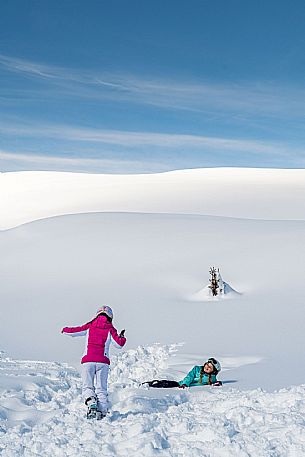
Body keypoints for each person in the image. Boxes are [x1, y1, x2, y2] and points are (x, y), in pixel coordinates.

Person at [61, 305, 126, 419]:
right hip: (103, 362)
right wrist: (122, 337)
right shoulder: (111, 329)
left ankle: (91, 403)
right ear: (110, 317)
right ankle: (103, 412)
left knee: (88, 387)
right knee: (101, 388)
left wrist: (65, 329)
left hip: (88, 361)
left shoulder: (90, 326)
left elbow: (74, 331)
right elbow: (119, 344)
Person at [144, 358, 222, 388]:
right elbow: (190, 377)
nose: (207, 367)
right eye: (207, 364)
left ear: (213, 371)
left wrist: (218, 383)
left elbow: (214, 382)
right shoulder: (197, 369)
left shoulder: (212, 377)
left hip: (186, 386)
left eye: (210, 367)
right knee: (166, 384)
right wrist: (185, 384)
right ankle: (150, 384)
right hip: (181, 384)